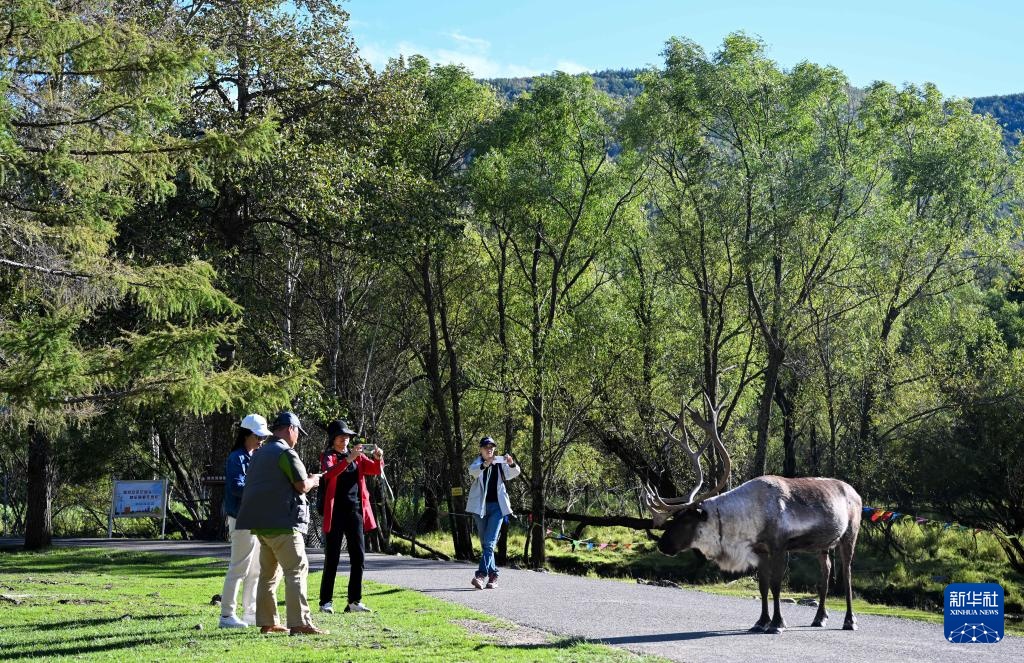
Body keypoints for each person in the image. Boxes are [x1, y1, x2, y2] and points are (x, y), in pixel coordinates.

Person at [235, 411, 327, 636]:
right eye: (298, 432)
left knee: (268, 575)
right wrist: (314, 480)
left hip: (262, 526)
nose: (297, 438)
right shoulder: (286, 453)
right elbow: (301, 486)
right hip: (284, 525)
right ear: (290, 429)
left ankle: (268, 622)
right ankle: (300, 623)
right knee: (296, 570)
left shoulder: (258, 453)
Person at [317, 420, 384, 614]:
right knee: (332, 558)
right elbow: (329, 474)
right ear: (333, 439)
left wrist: (379, 459)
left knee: (358, 557)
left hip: (355, 511)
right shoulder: (328, 456)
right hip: (335, 513)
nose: (344, 440)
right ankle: (325, 602)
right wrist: (348, 459)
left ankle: (354, 601)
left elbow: (374, 470)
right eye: (341, 437)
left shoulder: (357, 456)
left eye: (347, 437)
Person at [218, 413, 271, 628]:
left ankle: (250, 612)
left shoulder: (253, 456)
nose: (261, 441)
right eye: (257, 436)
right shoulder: (236, 458)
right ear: (246, 435)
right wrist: (261, 488)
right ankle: (226, 615)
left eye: (263, 437)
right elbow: (236, 488)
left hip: (254, 518)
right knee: (239, 567)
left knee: (255, 568)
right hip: (241, 519)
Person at [466, 436, 520, 589]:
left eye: (492, 447)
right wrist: (485, 464)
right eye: (486, 447)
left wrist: (511, 463)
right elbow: (473, 471)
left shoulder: (500, 463)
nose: (489, 449)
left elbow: (514, 473)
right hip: (480, 509)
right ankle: (494, 575)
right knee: (485, 544)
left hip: (498, 508)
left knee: (489, 543)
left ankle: (480, 575)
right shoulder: (478, 463)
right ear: (481, 449)